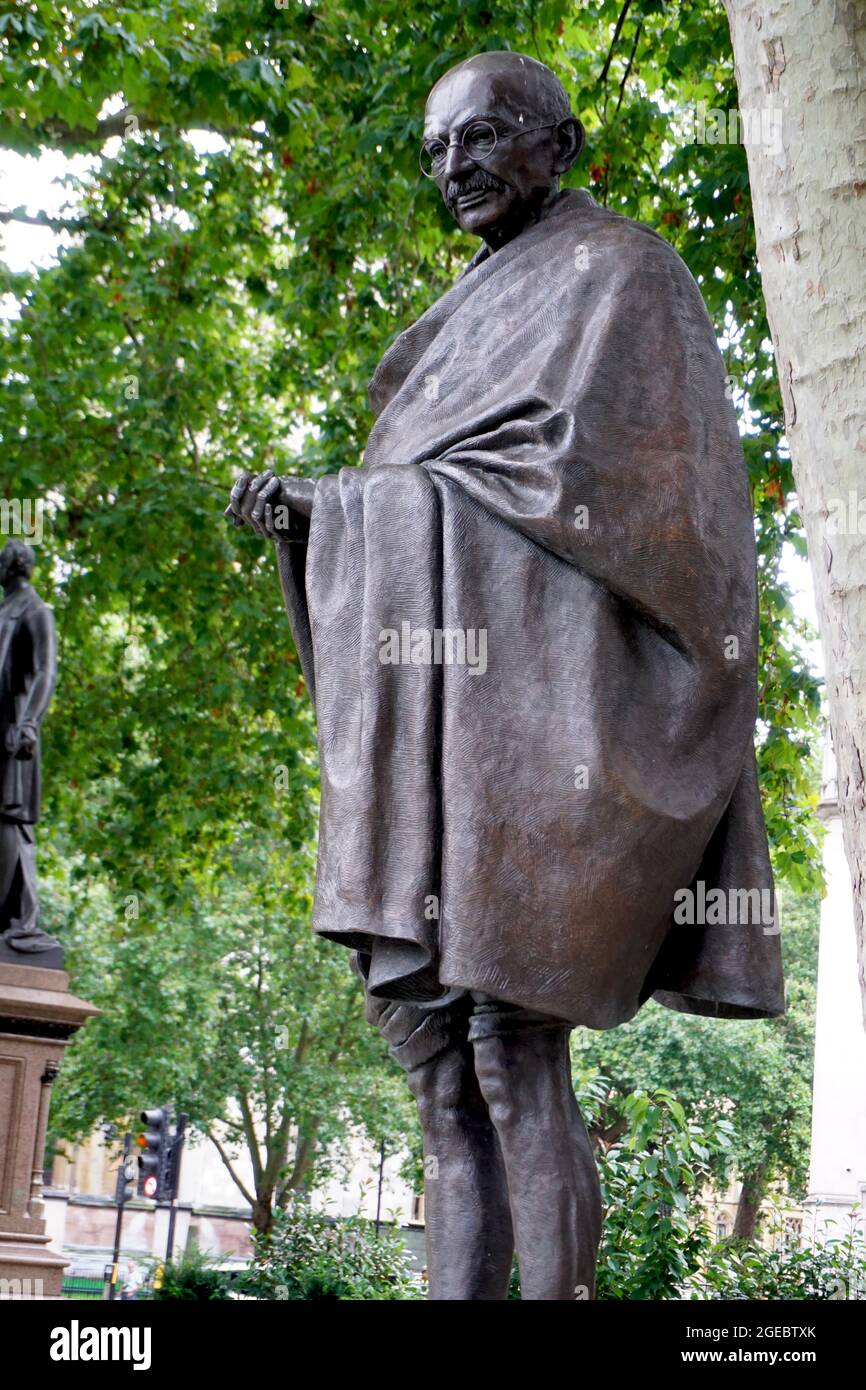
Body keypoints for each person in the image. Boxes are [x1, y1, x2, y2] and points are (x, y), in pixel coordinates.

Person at [227, 51, 783, 1300]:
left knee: (509, 1051)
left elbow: (631, 510)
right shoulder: (464, 315)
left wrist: (362, 508)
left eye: (480, 138)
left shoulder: (622, 275)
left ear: (560, 142)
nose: (453, 168)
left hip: (552, 737)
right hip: (437, 741)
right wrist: (320, 518)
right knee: (436, 1072)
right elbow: (433, 493)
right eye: (434, 153)